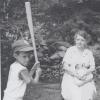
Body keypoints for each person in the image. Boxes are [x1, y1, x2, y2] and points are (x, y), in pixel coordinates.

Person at [61, 30, 96, 100]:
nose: (79, 42)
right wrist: (76, 74)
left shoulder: (88, 52)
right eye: (78, 39)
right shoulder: (70, 50)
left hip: (85, 77)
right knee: (75, 93)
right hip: (71, 77)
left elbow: (93, 67)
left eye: (82, 40)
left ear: (86, 41)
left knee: (87, 92)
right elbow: (65, 66)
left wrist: (85, 73)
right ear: (75, 40)